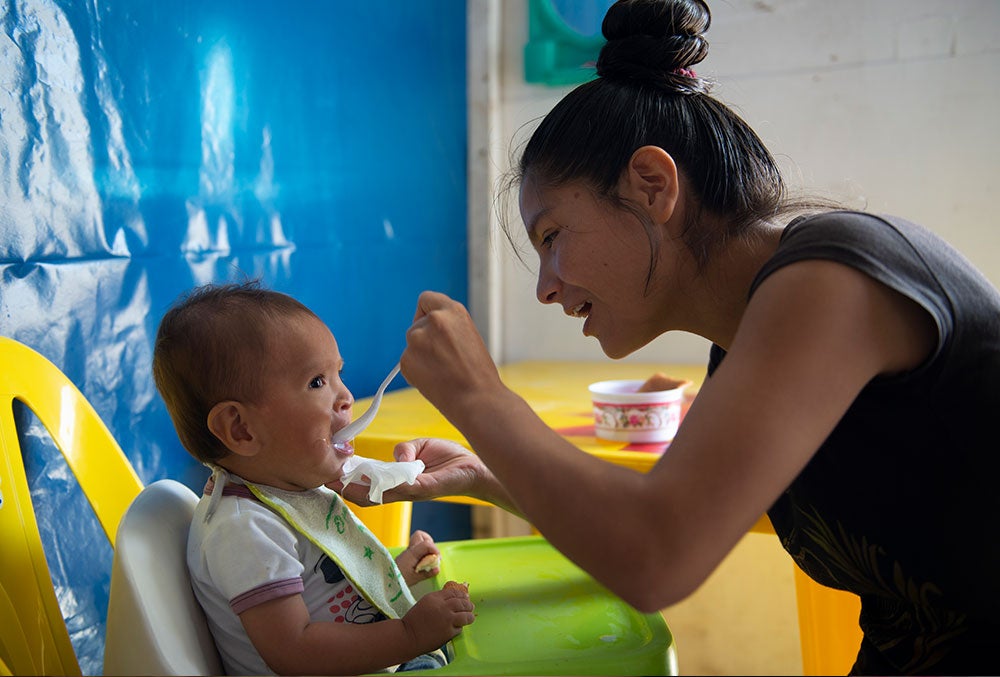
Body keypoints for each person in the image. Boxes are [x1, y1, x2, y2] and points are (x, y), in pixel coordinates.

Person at [334, 1, 1000, 674]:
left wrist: (480, 396)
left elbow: (657, 552)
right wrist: (487, 472)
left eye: (552, 236)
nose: (546, 286)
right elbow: (679, 505)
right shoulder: (748, 334)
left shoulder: (834, 279)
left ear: (653, 186)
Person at [152, 281, 474, 676]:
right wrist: (410, 633)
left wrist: (395, 571)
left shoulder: (290, 490)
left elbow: (323, 588)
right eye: (317, 382)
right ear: (241, 430)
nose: (346, 397)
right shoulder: (245, 530)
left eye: (338, 374)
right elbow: (296, 650)